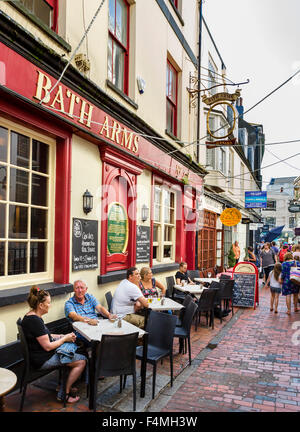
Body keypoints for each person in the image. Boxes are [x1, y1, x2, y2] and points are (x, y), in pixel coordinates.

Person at [21, 286, 87, 403]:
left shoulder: (31, 316)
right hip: (42, 360)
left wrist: (61, 336)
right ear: (41, 305)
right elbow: (48, 346)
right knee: (81, 361)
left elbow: (45, 336)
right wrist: (65, 338)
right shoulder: (35, 321)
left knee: (73, 352)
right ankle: (64, 394)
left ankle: (62, 385)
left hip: (38, 355)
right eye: (49, 303)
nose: (50, 305)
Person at [65, 280, 116, 345]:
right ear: (74, 290)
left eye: (82, 288)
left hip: (97, 325)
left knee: (113, 336)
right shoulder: (69, 303)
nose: (80, 290)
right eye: (77, 288)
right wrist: (89, 320)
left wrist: (109, 315)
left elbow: (100, 308)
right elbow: (74, 316)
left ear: (86, 289)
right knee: (101, 341)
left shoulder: (90, 297)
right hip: (82, 330)